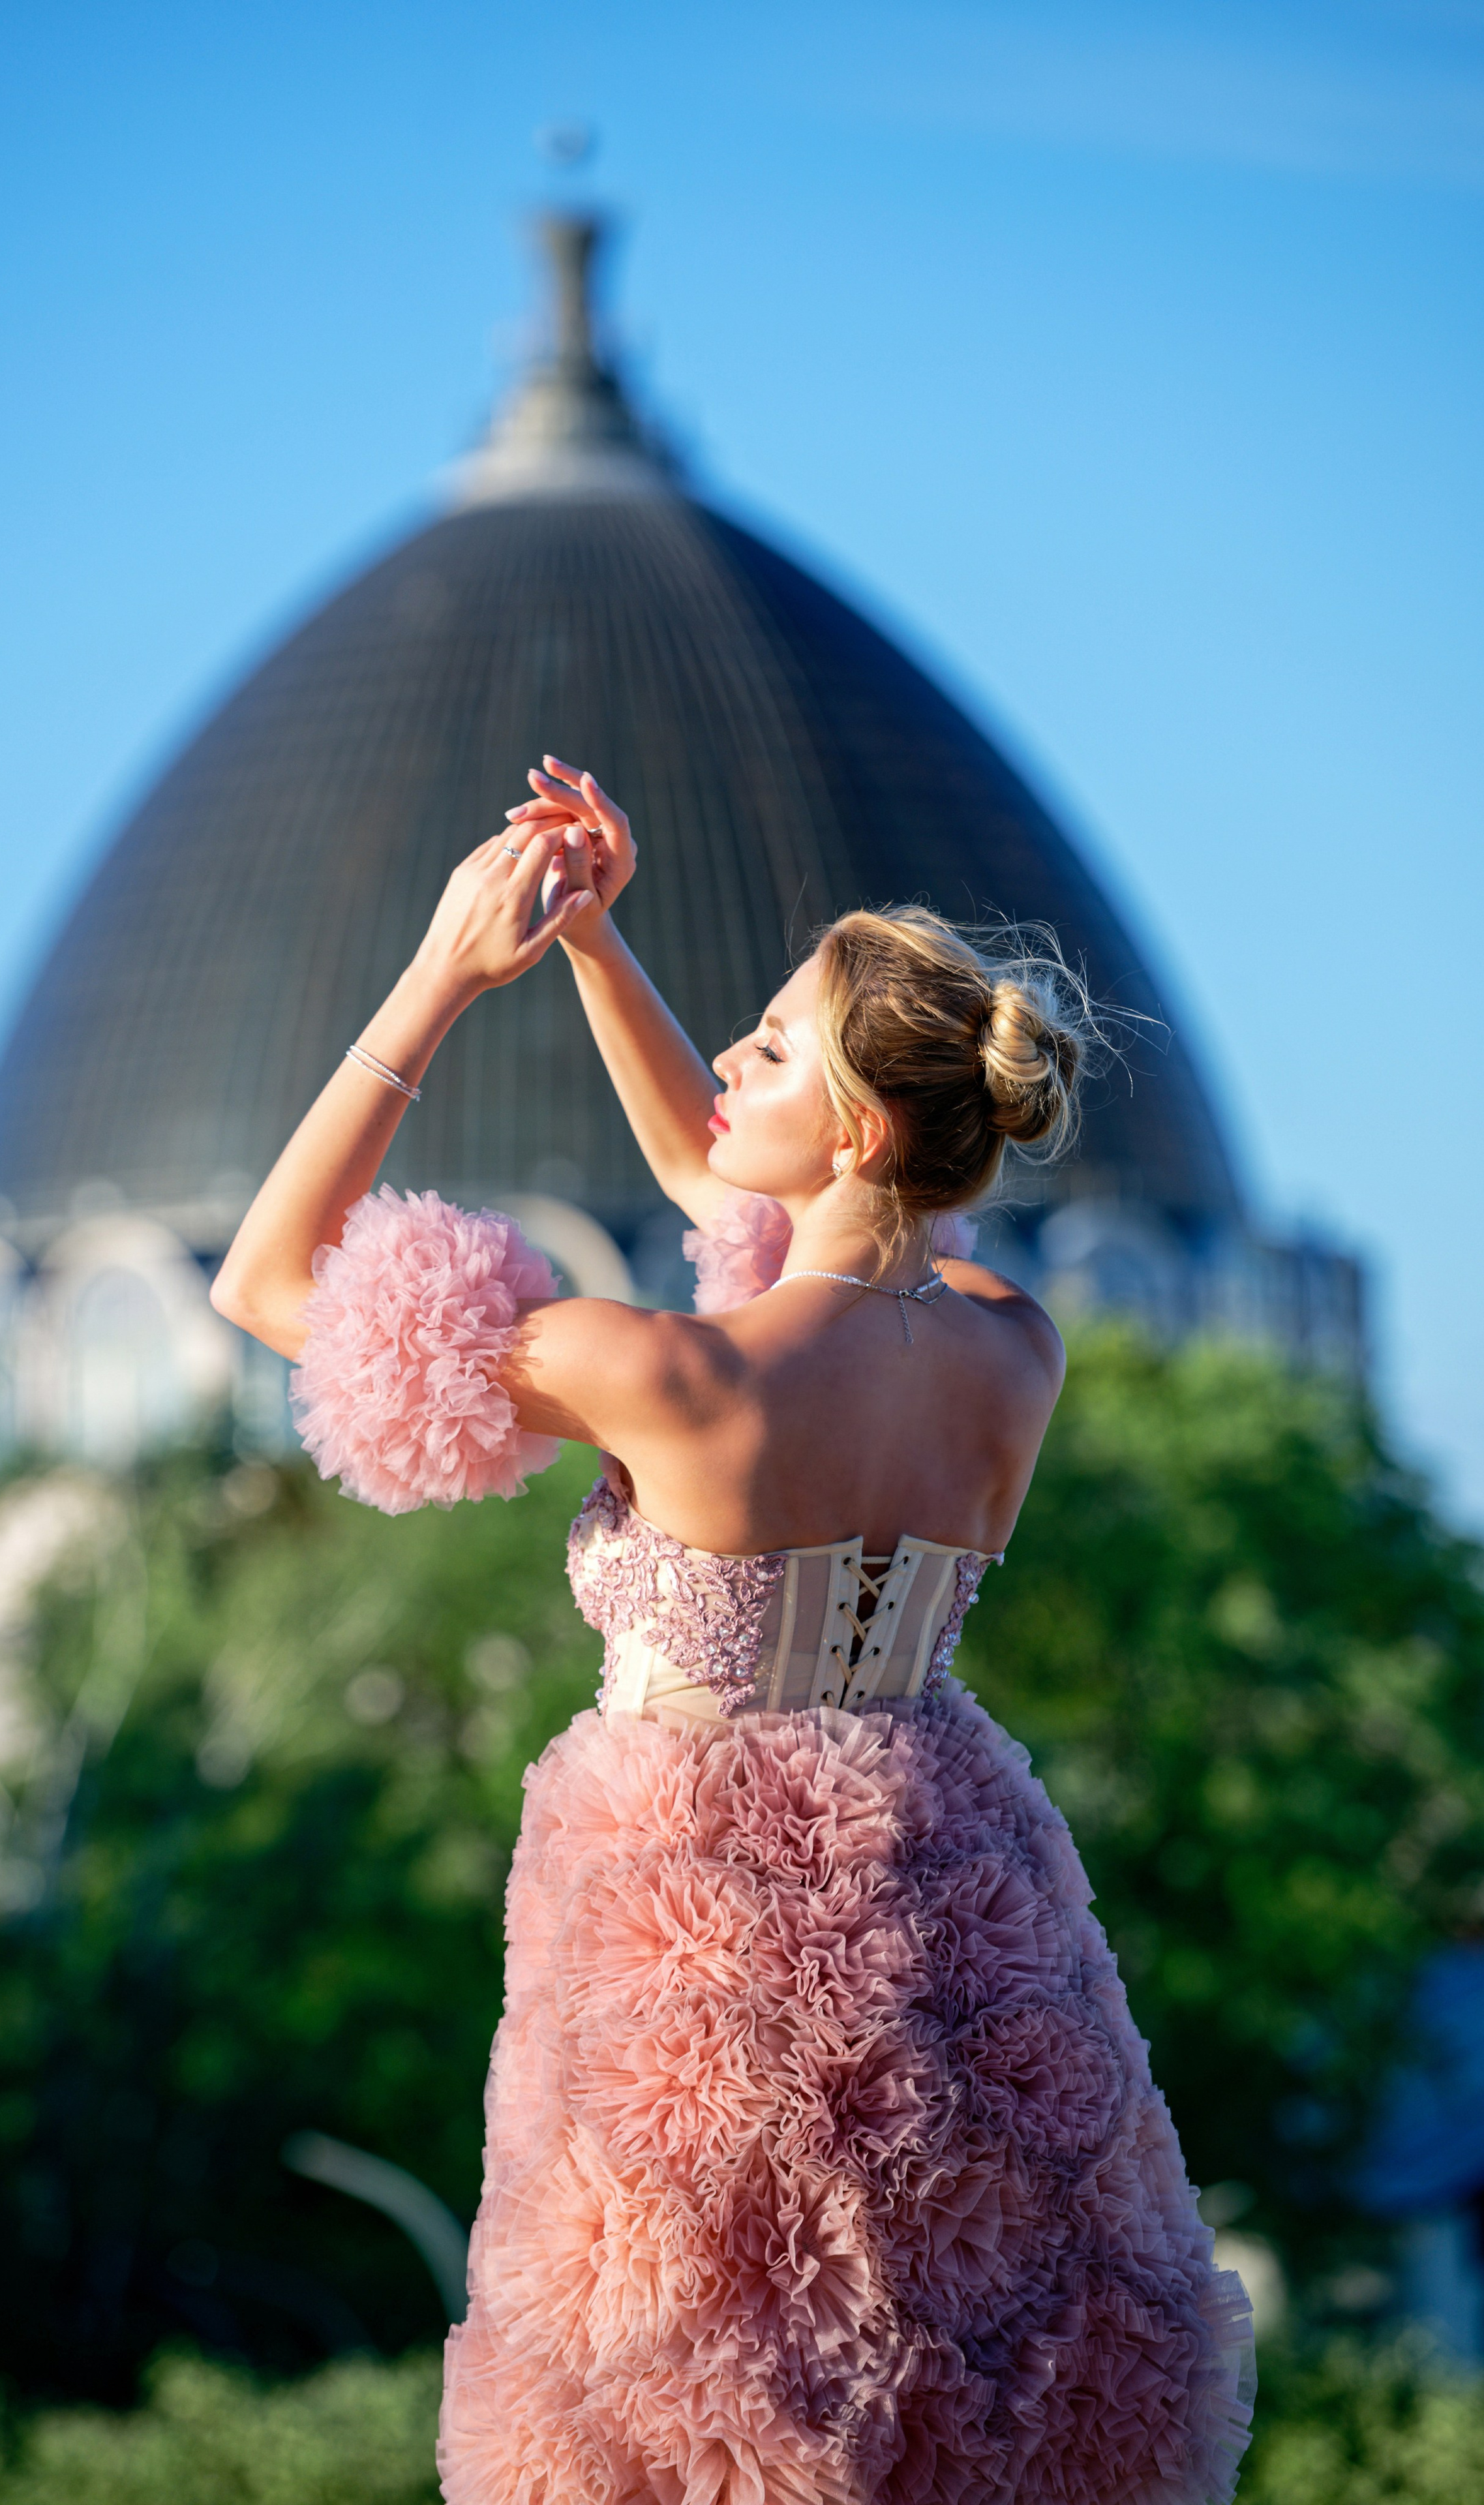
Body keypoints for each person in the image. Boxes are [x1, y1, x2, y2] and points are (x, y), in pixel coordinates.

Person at [212, 758, 1254, 2504]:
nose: (729, 1069)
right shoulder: (1011, 1346)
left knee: (700, 2400)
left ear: (853, 1131)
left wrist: (445, 978)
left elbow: (265, 1282)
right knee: (961, 2379)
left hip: (701, 1940)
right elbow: (750, 1202)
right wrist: (601, 951)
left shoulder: (667, 1376)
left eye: (769, 1048)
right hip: (947, 1894)